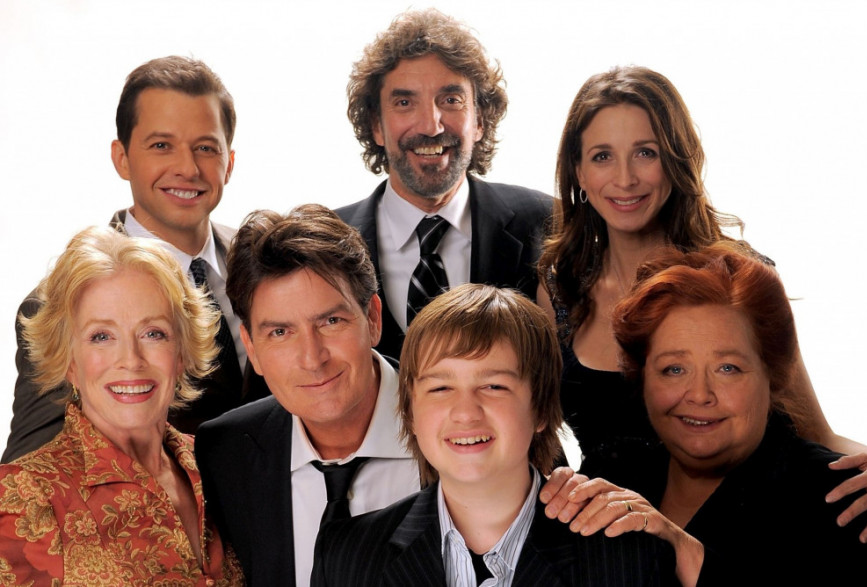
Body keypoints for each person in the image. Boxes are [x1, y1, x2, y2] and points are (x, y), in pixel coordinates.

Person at [536, 65, 867, 548]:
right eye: (603, 156)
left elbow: (814, 431)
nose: (625, 178)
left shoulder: (737, 277)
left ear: (676, 160)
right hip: (615, 541)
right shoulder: (560, 289)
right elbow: (538, 436)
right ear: (579, 171)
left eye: (646, 152)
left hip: (747, 529)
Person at [196, 206, 606, 586]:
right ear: (251, 348)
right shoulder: (225, 453)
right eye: (280, 332)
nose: (312, 358)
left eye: (331, 321)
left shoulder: (490, 427)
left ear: (373, 318)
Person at [568, 244, 867, 585]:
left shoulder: (846, 498)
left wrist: (686, 554)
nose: (699, 394)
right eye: (674, 369)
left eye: (728, 368)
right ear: (643, 378)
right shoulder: (610, 471)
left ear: (773, 374)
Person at [312, 284, 677, 586]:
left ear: (541, 407)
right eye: (440, 388)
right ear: (410, 411)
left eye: (494, 386)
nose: (466, 412)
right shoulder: (346, 556)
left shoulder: (627, 556)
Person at [4, 56, 268, 463]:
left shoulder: (264, 262)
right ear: (122, 158)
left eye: (205, 148)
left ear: (229, 163)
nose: (187, 168)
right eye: (161, 146)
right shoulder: (62, 300)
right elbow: (31, 468)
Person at [0, 227, 243, 584]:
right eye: (101, 336)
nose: (131, 360)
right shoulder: (24, 496)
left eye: (153, 333)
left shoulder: (222, 468)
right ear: (69, 361)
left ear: (182, 353)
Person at [339, 8, 553, 361]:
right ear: (376, 125)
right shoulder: (326, 244)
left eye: (451, 100)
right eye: (404, 102)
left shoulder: (549, 223)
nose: (431, 125)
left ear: (479, 119)